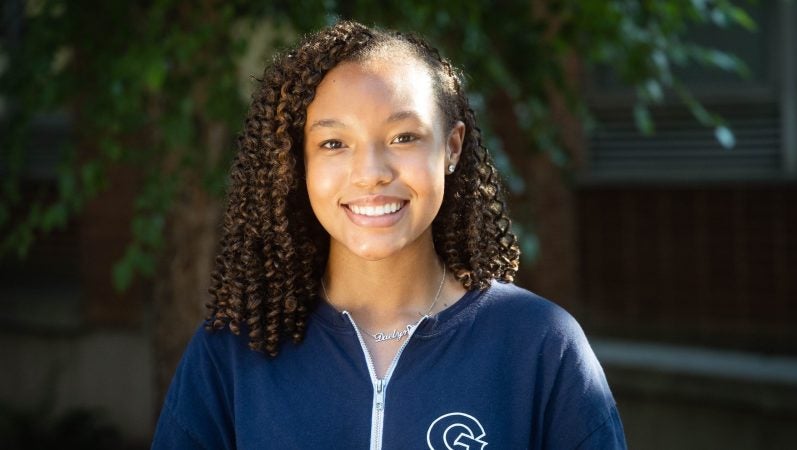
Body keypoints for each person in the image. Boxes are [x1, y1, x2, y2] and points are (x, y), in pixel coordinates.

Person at [151, 20, 626, 450]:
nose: (371, 173)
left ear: (452, 147)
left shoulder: (538, 345)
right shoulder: (234, 352)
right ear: (299, 163)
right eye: (334, 143)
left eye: (404, 137)